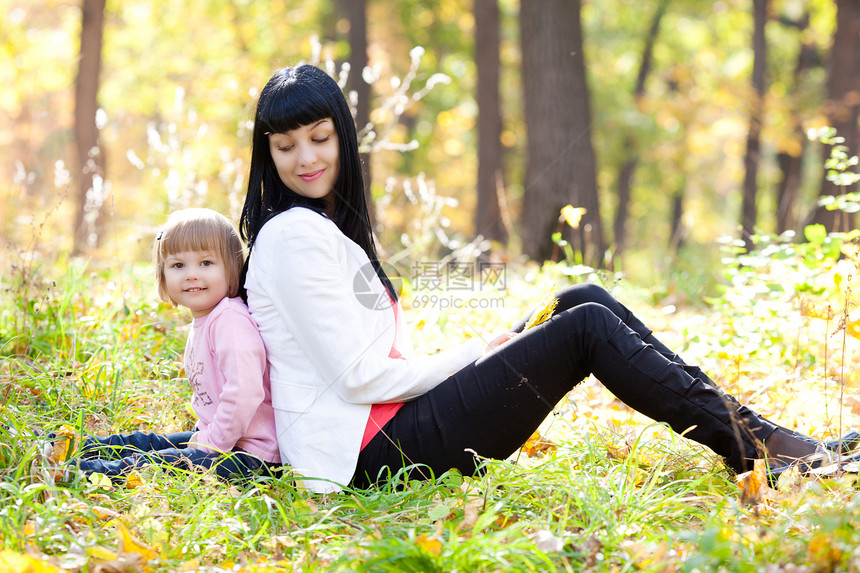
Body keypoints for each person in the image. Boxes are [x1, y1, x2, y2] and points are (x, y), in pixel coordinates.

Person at [240, 65, 852, 494]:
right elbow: (359, 378)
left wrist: (478, 357)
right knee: (583, 328)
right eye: (286, 147)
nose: (306, 159)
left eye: (319, 139)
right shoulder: (291, 236)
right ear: (267, 155)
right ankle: (760, 447)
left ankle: (759, 436)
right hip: (368, 454)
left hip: (387, 424)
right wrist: (478, 353)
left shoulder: (318, 226)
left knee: (578, 300)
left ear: (343, 138)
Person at [45, 208, 281, 483]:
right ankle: (67, 447)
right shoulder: (209, 318)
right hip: (217, 436)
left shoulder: (231, 322)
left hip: (250, 455)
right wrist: (204, 436)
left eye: (206, 263)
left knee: (155, 463)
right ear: (164, 275)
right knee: (148, 442)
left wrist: (211, 444)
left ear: (232, 268)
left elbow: (245, 392)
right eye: (178, 265)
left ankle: (81, 474)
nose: (192, 274)